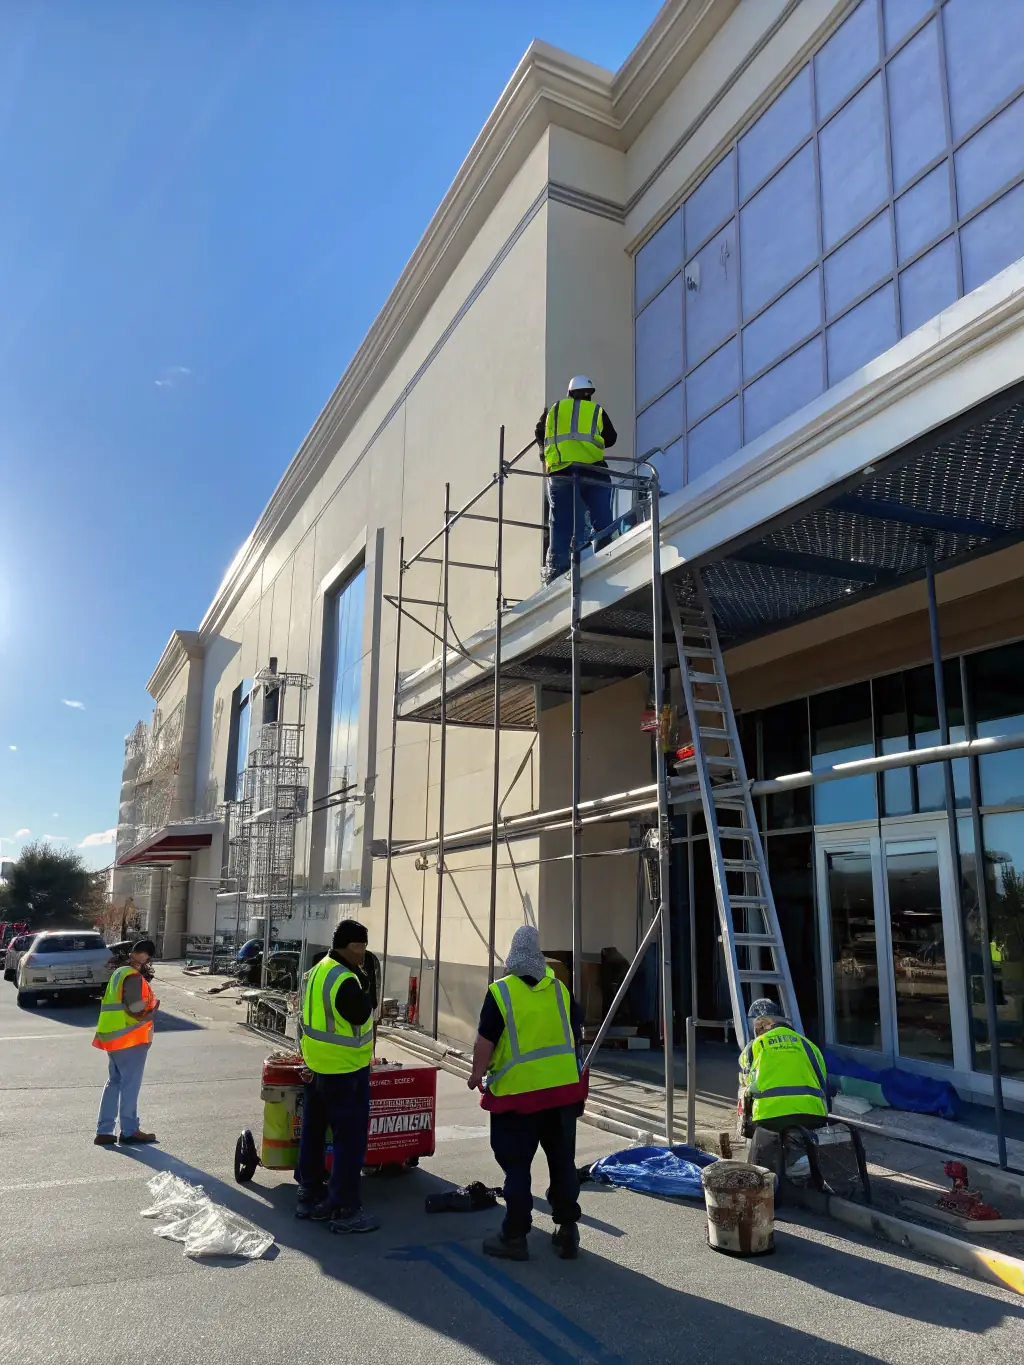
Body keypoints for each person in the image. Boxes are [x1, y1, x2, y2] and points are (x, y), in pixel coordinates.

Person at [468, 925, 588, 1262]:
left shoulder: (501, 992)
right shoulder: (560, 990)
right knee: (562, 1161)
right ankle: (567, 1230)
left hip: (519, 1096)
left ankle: (515, 1235)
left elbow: (484, 1041)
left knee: (517, 1166)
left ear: (511, 959)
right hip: (563, 1092)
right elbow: (577, 1032)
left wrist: (476, 1074)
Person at [295, 919, 379, 1234]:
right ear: (354, 947)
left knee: (314, 1132)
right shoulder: (345, 979)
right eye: (363, 948)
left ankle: (309, 1192)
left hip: (317, 1067)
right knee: (349, 1140)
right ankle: (343, 1207)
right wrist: (367, 989)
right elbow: (360, 1013)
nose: (364, 954)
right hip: (345, 1071)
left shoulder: (318, 969)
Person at [535, 375, 618, 582]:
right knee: (600, 515)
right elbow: (611, 438)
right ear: (589, 394)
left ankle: (557, 569)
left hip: (561, 471)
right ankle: (605, 554)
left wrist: (544, 453)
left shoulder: (553, 410)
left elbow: (539, 433)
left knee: (561, 521)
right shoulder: (596, 410)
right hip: (592, 470)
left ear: (569, 392)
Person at [739, 998, 829, 1170]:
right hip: (812, 1115)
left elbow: (747, 1087)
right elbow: (823, 1084)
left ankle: (763, 1167)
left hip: (769, 1116)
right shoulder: (809, 1045)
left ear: (762, 1024)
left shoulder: (755, 1046)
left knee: (759, 1167)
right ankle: (802, 1161)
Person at [93, 938, 160, 1146]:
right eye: (145, 954)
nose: (145, 958)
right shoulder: (133, 977)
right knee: (130, 1085)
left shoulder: (119, 973)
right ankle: (130, 1130)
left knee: (114, 1083)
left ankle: (104, 1131)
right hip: (130, 1039)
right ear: (141, 955)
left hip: (113, 1037)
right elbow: (136, 1007)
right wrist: (153, 1007)